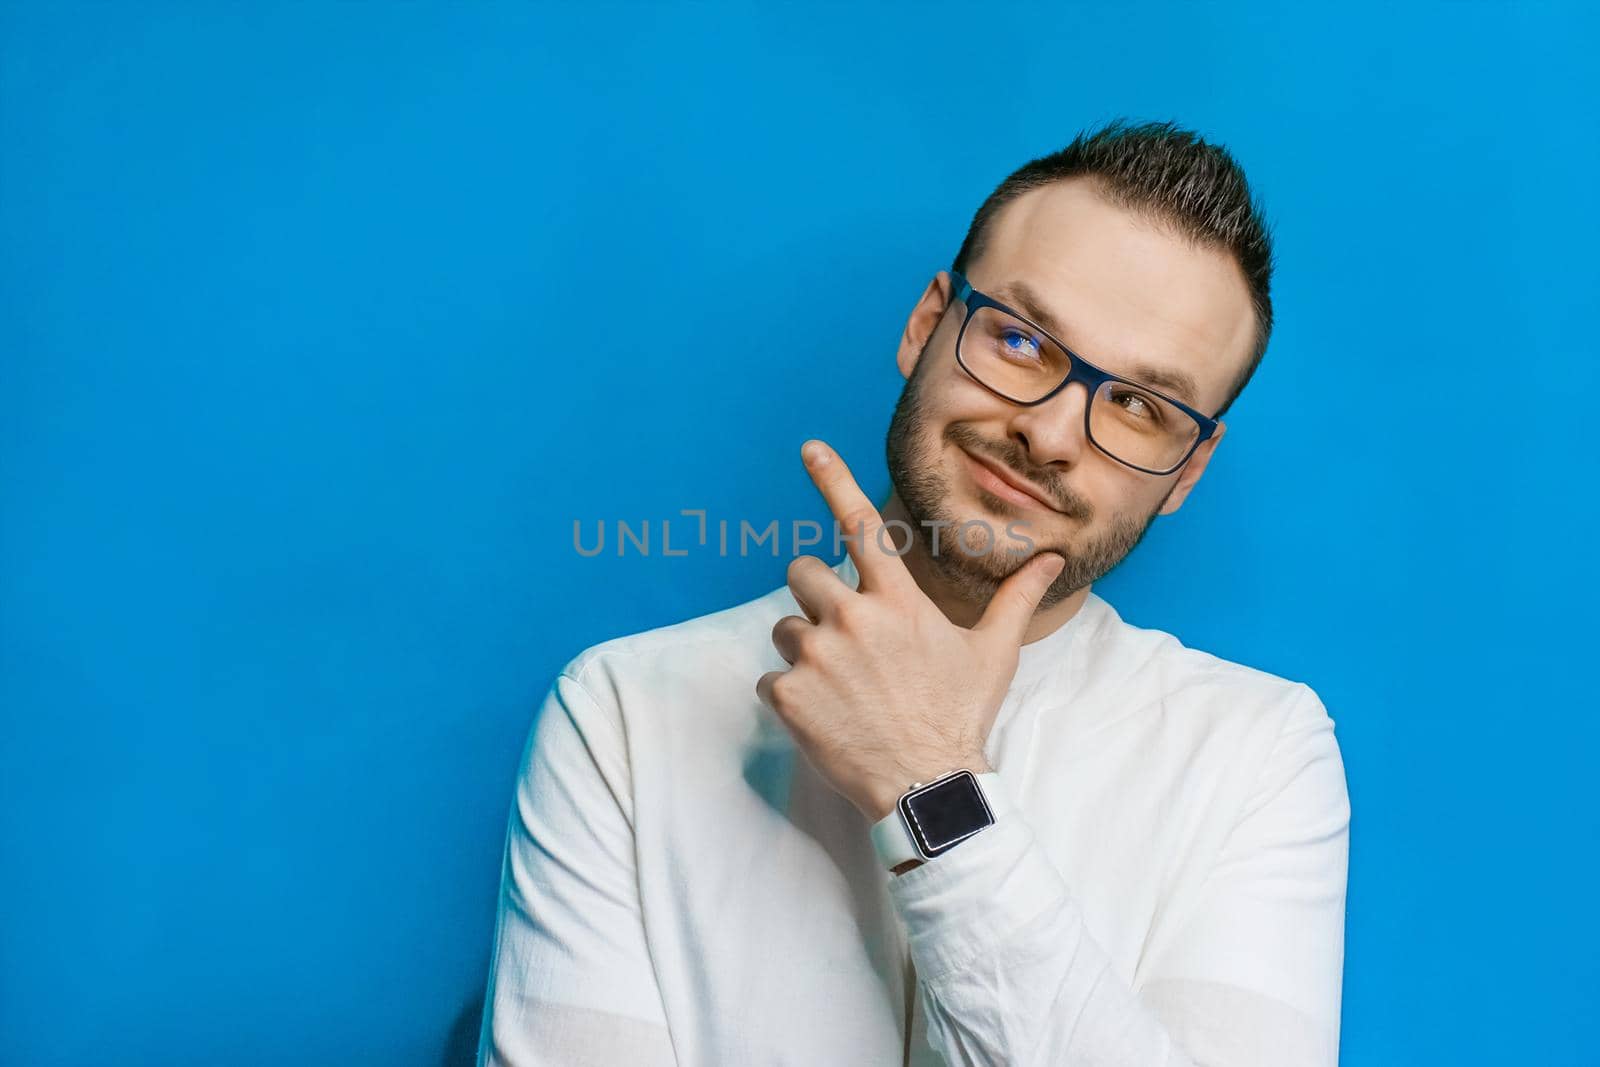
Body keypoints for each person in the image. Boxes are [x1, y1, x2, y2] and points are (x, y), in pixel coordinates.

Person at [475, 119, 1350, 1066]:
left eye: (1141, 407)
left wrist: (927, 782)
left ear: (1187, 472)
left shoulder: (1260, 755)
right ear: (928, 324)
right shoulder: (623, 714)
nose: (1052, 434)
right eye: (1021, 340)